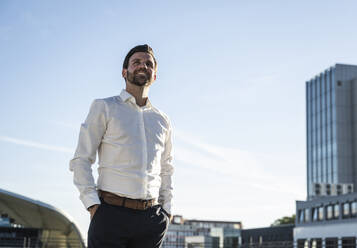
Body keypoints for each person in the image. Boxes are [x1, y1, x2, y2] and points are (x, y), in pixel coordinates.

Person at [69, 44, 174, 248]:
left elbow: (167, 168)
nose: (143, 66)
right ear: (124, 72)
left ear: (154, 76)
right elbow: (81, 159)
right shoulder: (105, 107)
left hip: (152, 219)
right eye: (136, 62)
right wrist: (93, 205)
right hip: (110, 215)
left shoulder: (163, 120)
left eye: (148, 64)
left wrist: (167, 210)